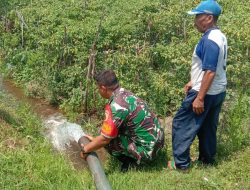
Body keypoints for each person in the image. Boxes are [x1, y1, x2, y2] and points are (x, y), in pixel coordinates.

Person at [169, 0, 227, 170]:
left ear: (209, 18)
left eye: (198, 17)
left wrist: (199, 97)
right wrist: (193, 79)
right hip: (218, 91)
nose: (195, 22)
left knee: (181, 124)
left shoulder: (209, 40)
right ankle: (207, 160)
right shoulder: (220, 36)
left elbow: (210, 71)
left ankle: (181, 164)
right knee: (208, 127)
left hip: (205, 93)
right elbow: (210, 66)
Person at [80, 70, 164, 172]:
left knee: (109, 142)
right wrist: (95, 140)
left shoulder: (117, 106)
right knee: (107, 133)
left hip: (148, 151)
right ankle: (135, 155)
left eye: (98, 88)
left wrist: (86, 150)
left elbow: (105, 139)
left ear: (103, 88)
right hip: (158, 141)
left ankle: (132, 163)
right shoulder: (125, 94)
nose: (98, 90)